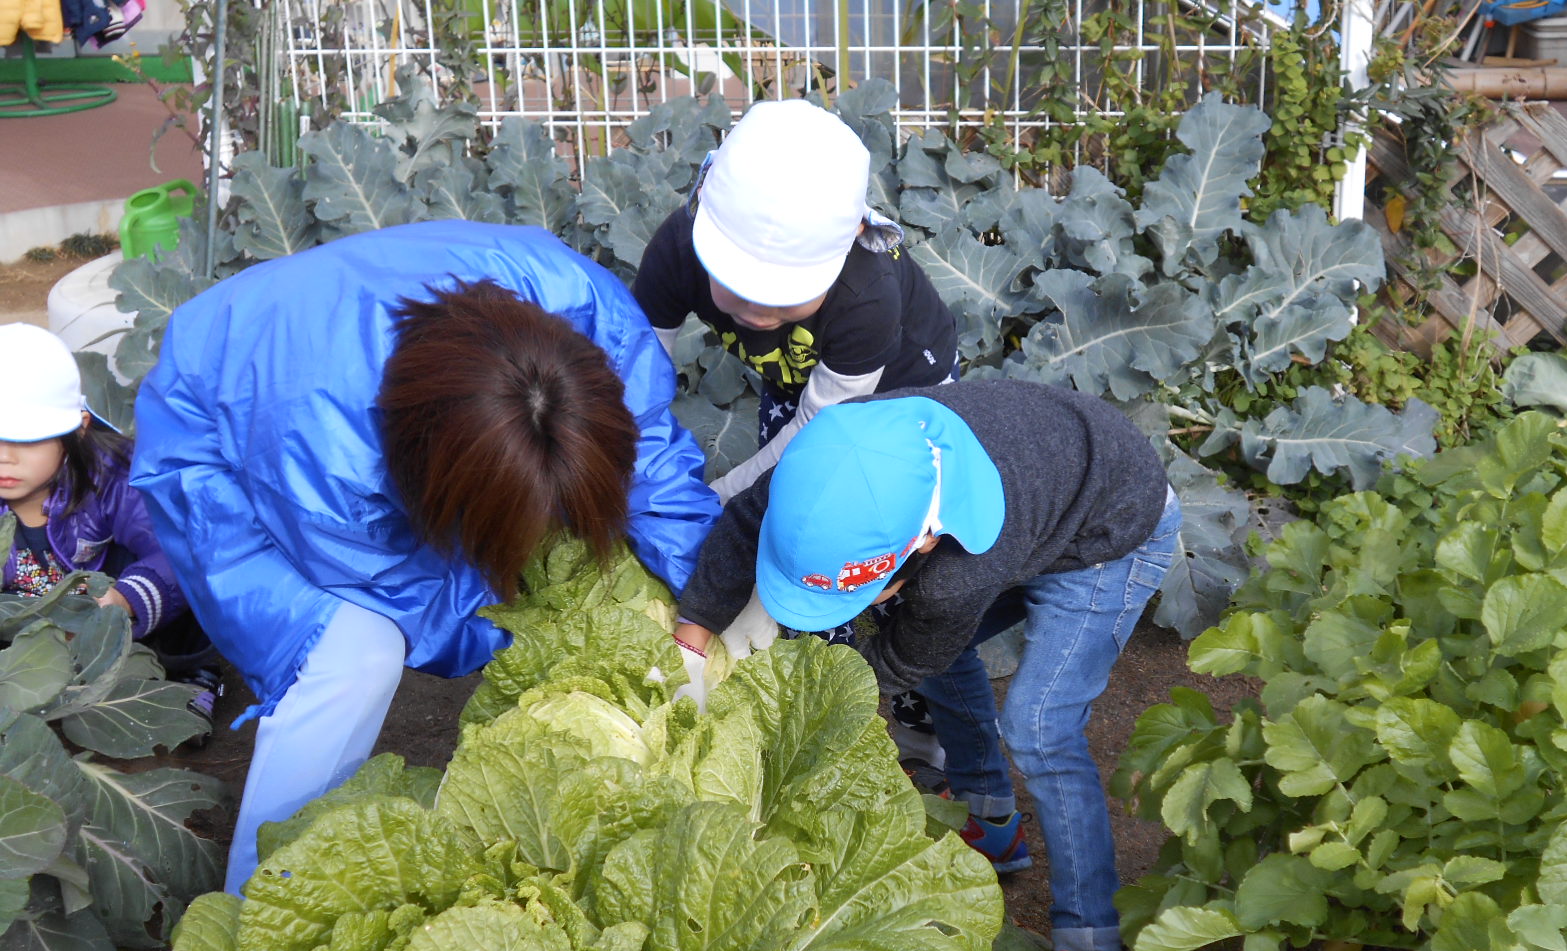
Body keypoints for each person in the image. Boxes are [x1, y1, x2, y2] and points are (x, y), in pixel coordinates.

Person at [132, 220, 724, 895]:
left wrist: (708, 591)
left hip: (322, 351)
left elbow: (649, 453)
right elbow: (416, 602)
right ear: (428, 478)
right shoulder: (328, 468)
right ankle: (267, 893)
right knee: (354, 656)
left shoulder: (587, 304)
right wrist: (538, 644)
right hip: (215, 437)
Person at [673, 381, 1181, 951]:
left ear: (917, 547)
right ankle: (991, 822)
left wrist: (804, 730)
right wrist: (694, 629)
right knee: (936, 640)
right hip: (1043, 486)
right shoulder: (827, 462)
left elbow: (895, 666)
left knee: (1039, 726)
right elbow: (746, 523)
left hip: (1110, 528)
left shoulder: (955, 576)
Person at [632, 97, 962, 766]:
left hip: (899, 396)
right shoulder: (679, 247)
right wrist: (636, 480)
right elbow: (634, 369)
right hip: (798, 383)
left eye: (783, 298)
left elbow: (820, 434)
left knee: (900, 580)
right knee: (783, 545)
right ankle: (810, 701)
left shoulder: (867, 293)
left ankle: (932, 732)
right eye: (737, 290)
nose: (756, 313)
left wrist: (719, 501)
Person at [0, 323, 220, 731]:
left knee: (188, 561)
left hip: (118, 615)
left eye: (26, 439)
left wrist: (125, 601)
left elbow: (173, 550)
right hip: (30, 632)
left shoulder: (113, 475)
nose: (5, 457)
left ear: (78, 427)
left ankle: (192, 676)